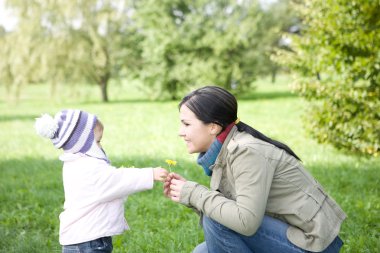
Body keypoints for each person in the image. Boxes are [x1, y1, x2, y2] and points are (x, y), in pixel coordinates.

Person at [164, 86, 346, 253]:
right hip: (286, 233)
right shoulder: (224, 152)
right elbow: (230, 210)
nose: (180, 131)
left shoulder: (246, 152)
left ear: (213, 126)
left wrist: (195, 193)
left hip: (311, 243)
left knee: (215, 218)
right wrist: (190, 197)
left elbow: (245, 222)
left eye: (186, 124)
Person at [35, 109, 168, 253]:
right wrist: (150, 174)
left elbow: (110, 179)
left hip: (79, 240)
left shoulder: (75, 164)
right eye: (98, 141)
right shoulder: (88, 167)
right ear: (83, 144)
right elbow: (119, 180)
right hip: (90, 242)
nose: (101, 146)